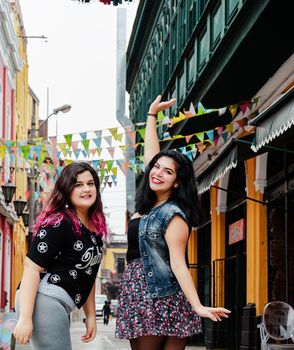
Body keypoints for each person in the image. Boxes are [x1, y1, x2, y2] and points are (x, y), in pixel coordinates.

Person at [115, 95, 231, 350]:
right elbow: (151, 159)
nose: (157, 173)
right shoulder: (150, 204)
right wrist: (151, 116)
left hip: (158, 295)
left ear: (177, 182)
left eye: (167, 172)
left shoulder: (173, 215)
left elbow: (178, 264)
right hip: (139, 293)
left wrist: (197, 305)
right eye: (157, 168)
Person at [13, 162, 108, 349]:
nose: (86, 189)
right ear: (67, 190)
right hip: (44, 299)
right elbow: (31, 266)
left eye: (90, 184)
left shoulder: (95, 230)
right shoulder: (60, 221)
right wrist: (25, 318)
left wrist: (90, 316)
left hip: (60, 302)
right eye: (78, 185)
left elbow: (88, 274)